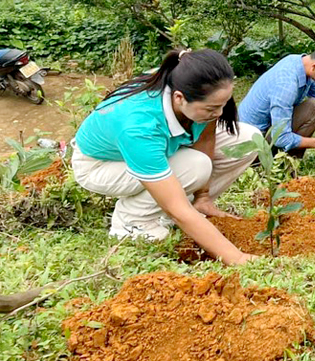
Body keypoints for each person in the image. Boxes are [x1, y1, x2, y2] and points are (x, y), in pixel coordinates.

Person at [70, 49, 259, 264]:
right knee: (194, 166)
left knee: (248, 138)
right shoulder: (138, 126)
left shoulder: (191, 83)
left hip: (159, 146)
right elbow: (177, 208)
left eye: (223, 104)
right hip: (102, 165)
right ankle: (131, 223)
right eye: (212, 108)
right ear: (179, 98)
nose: (219, 112)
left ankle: (182, 210)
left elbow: (205, 139)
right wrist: (237, 257)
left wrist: (203, 196)